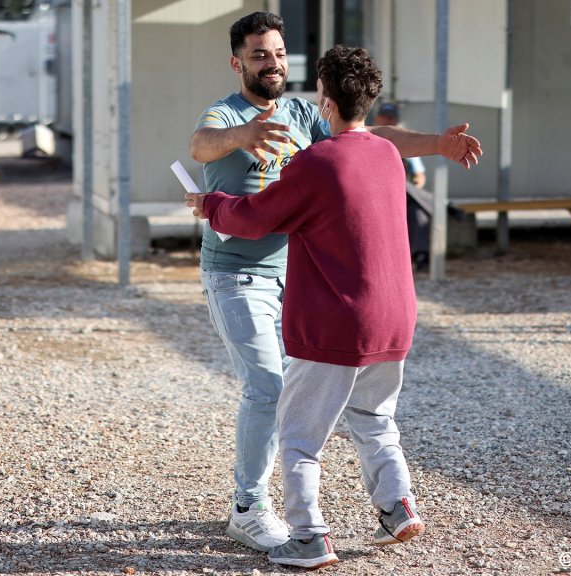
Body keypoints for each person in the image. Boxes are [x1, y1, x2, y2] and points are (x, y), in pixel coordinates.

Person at [189, 11, 481, 553]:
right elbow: (200, 144)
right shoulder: (224, 112)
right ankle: (249, 505)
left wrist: (436, 144)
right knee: (269, 387)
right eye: (259, 54)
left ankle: (324, 527)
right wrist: (241, 135)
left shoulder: (306, 111)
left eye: (278, 53)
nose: (272, 63)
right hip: (236, 272)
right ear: (238, 62)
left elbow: (369, 134)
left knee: (314, 402)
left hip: (298, 274)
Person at [374, 101, 456, 271]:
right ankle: (442, 204)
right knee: (409, 193)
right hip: (375, 193)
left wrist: (416, 184)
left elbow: (419, 175)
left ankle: (421, 256)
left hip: (401, 194)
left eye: (392, 118)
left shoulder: (404, 142)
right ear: (377, 119)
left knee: (418, 210)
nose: (388, 121)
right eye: (385, 117)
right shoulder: (369, 139)